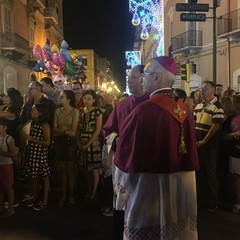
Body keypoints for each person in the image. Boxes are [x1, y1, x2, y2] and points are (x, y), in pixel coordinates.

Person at [113, 56, 199, 239]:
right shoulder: (183, 109)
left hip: (149, 188)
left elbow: (125, 155)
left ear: (158, 77)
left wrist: (121, 192)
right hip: (181, 186)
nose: (144, 78)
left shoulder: (143, 111)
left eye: (147, 74)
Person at [102, 65, 148, 235]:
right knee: (122, 204)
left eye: (133, 78)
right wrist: (117, 141)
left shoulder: (153, 104)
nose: (128, 81)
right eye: (128, 77)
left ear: (144, 78)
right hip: (122, 164)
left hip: (144, 167)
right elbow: (108, 130)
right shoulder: (123, 104)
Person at [194, 81, 224, 211]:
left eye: (205, 88)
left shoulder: (217, 106)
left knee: (210, 172)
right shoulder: (198, 106)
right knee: (200, 173)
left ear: (212, 90)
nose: (202, 91)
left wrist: (204, 141)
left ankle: (213, 201)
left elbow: (215, 126)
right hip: (198, 144)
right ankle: (202, 199)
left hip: (209, 145)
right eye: (201, 88)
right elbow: (194, 123)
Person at [22, 103, 51, 211]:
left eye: (34, 110)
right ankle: (33, 197)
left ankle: (44, 199)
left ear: (40, 113)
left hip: (40, 153)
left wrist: (31, 139)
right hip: (32, 152)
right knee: (33, 176)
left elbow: (47, 142)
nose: (31, 112)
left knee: (43, 177)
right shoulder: (32, 123)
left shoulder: (44, 125)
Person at [53, 90, 79, 207]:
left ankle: (71, 195)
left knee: (70, 170)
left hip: (70, 143)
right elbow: (54, 128)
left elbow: (73, 132)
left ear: (68, 99)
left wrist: (61, 131)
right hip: (59, 142)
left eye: (62, 96)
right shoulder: (57, 111)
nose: (59, 98)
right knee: (62, 170)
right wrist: (65, 131)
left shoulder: (75, 111)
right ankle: (63, 195)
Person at [77, 90, 102, 203]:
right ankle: (89, 189)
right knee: (86, 168)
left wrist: (88, 143)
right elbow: (78, 128)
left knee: (94, 169)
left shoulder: (98, 112)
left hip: (93, 143)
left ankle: (94, 192)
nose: (86, 101)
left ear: (94, 100)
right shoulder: (81, 111)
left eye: (89, 98)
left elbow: (97, 131)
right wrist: (79, 141)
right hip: (82, 142)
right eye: (85, 98)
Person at [0, 118, 18, 217]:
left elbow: (14, 154)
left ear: (5, 127)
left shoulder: (9, 139)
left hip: (6, 166)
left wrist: (2, 153)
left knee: (8, 188)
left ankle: (10, 208)